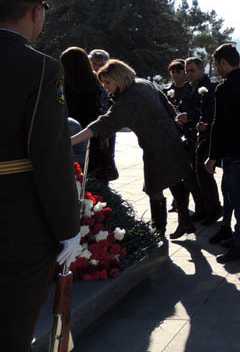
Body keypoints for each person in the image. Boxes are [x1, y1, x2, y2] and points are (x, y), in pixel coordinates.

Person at [0, 0, 81, 352]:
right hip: (14, 224)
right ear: (35, 12)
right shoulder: (40, 68)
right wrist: (68, 229)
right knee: (11, 333)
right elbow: (51, 156)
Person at [71, 59, 196, 239]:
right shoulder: (144, 84)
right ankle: (185, 221)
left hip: (156, 146)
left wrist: (71, 140)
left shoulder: (129, 99)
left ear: (119, 78)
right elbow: (168, 106)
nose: (106, 87)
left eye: (108, 82)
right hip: (171, 139)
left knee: (154, 188)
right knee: (176, 180)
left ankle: (158, 231)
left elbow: (102, 124)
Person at [203, 43, 240, 263]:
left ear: (224, 63)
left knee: (239, 201)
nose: (217, 68)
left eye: (217, 64)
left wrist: (212, 156)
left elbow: (219, 125)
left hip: (234, 152)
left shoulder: (224, 88)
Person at [60, 46, 118, 183]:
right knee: (97, 176)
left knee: (75, 176)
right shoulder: (98, 83)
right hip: (97, 134)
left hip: (73, 134)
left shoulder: (63, 84)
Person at [176, 57, 221, 225]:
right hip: (189, 136)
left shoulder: (210, 88)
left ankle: (214, 208)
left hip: (204, 137)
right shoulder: (188, 88)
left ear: (202, 70)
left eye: (192, 70)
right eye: (187, 70)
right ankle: (201, 208)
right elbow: (183, 107)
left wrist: (192, 117)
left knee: (204, 175)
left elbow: (211, 112)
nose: (188, 74)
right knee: (192, 176)